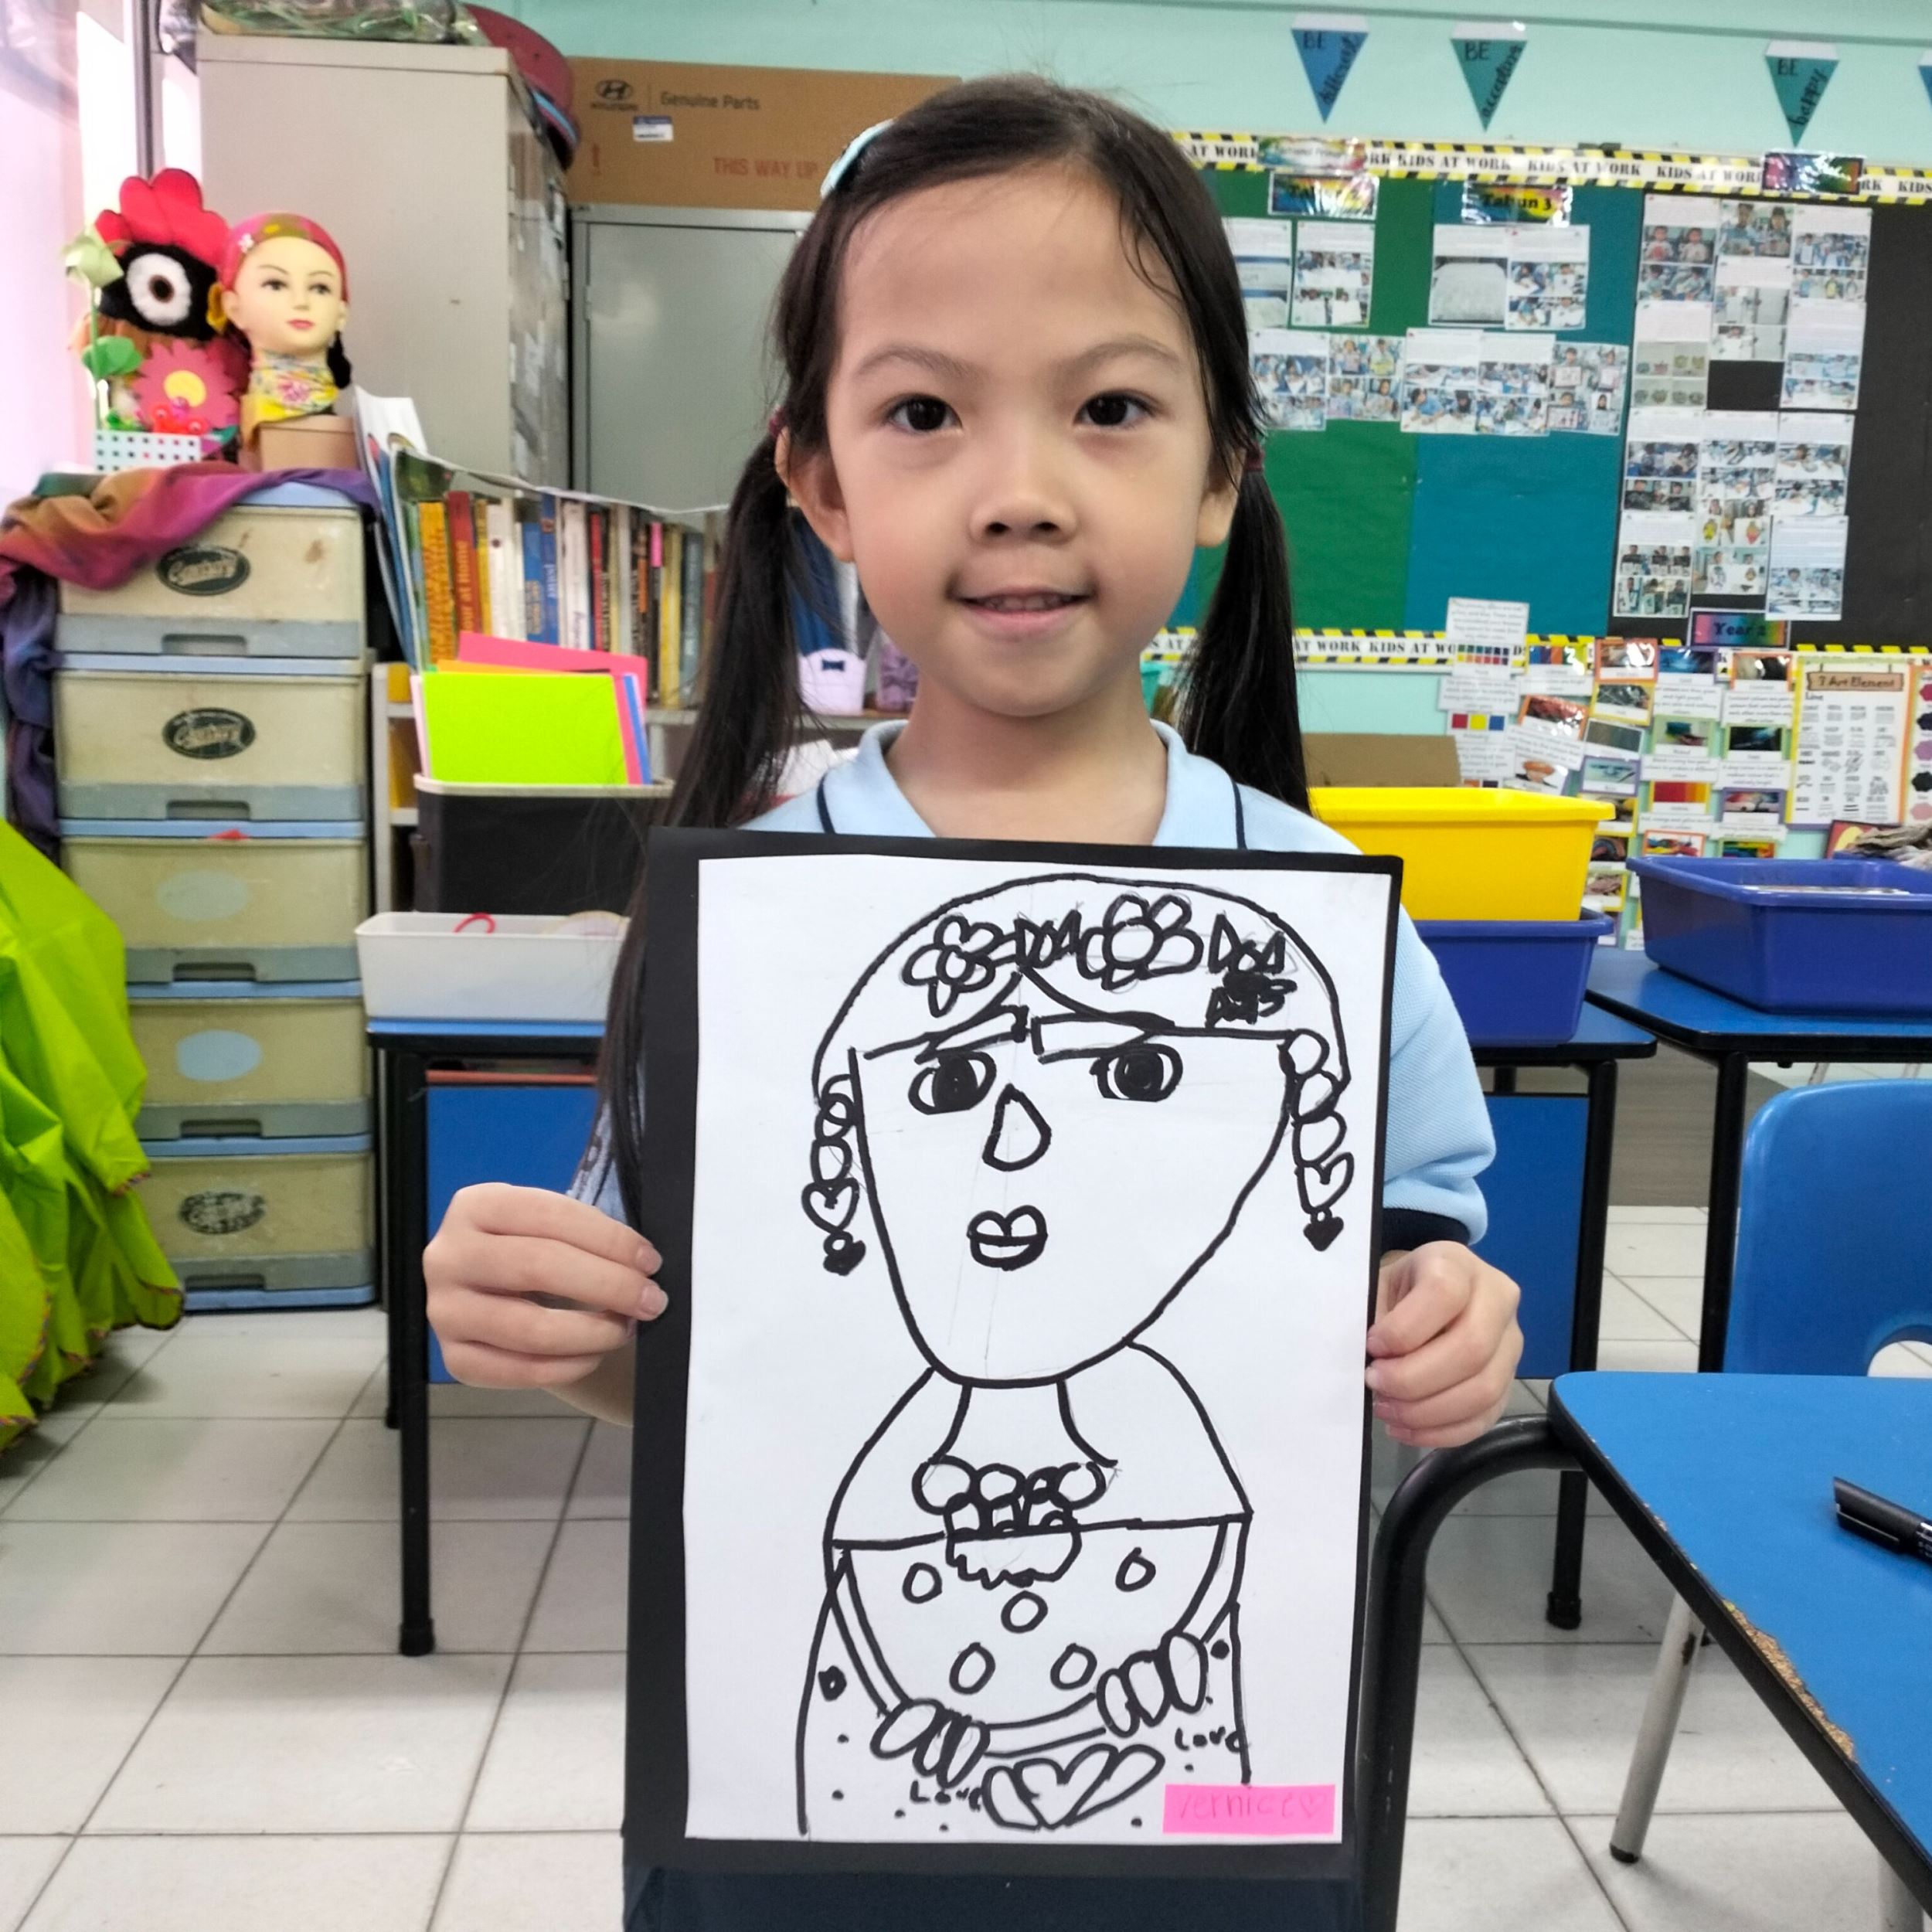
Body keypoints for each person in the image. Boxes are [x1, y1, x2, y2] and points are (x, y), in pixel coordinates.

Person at [423, 75, 1520, 1932]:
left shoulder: (1324, 923)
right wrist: (544, 1321)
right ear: (820, 480)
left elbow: (1412, 1277)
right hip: (799, 1822)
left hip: (1211, 1817)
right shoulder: (744, 923)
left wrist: (1447, 1334)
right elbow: (684, 1364)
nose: (1018, 489)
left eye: (1110, 407)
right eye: (924, 412)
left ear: (1220, 469)